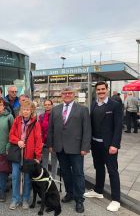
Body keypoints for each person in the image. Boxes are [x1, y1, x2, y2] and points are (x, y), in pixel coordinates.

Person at [47, 86, 91, 214]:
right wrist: (50, 145)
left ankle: (79, 200)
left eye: (69, 93)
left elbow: (87, 130)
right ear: (61, 95)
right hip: (60, 148)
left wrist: (85, 147)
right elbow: (51, 129)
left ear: (74, 94)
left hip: (77, 149)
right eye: (64, 93)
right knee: (65, 173)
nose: (67, 95)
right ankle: (70, 194)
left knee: (78, 173)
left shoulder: (82, 109)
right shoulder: (55, 110)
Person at [84, 81, 123, 212]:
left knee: (112, 171)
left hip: (109, 145)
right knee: (98, 168)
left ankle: (116, 200)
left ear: (107, 89)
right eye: (98, 89)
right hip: (95, 143)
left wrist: (115, 144)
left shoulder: (115, 105)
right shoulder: (94, 103)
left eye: (103, 89)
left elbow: (118, 127)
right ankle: (98, 190)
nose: (100, 91)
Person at [9, 99, 43, 210]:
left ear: (31, 110)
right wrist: (17, 141)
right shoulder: (16, 120)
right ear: (21, 110)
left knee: (27, 178)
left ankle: (25, 199)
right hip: (17, 154)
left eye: (28, 109)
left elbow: (38, 141)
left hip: (29, 156)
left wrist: (38, 156)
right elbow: (11, 136)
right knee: (15, 177)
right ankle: (15, 199)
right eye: (24, 109)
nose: (25, 111)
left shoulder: (36, 123)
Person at [38, 99, 58, 179]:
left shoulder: (56, 115)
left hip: (54, 143)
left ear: (52, 105)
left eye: (49, 104)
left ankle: (53, 179)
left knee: (54, 162)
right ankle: (45, 178)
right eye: (45, 105)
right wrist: (41, 141)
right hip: (44, 143)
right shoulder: (41, 116)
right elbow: (40, 130)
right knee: (44, 162)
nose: (47, 106)